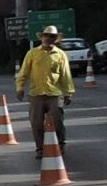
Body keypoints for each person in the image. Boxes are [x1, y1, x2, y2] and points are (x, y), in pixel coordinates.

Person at [15, 24, 76, 156]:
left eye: (52, 36)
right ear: (42, 37)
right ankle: (40, 148)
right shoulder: (32, 53)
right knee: (36, 123)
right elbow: (23, 72)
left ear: (55, 39)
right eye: (46, 35)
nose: (48, 38)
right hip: (36, 94)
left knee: (57, 121)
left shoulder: (60, 55)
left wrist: (69, 92)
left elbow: (65, 75)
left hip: (54, 94)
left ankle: (60, 145)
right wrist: (20, 88)